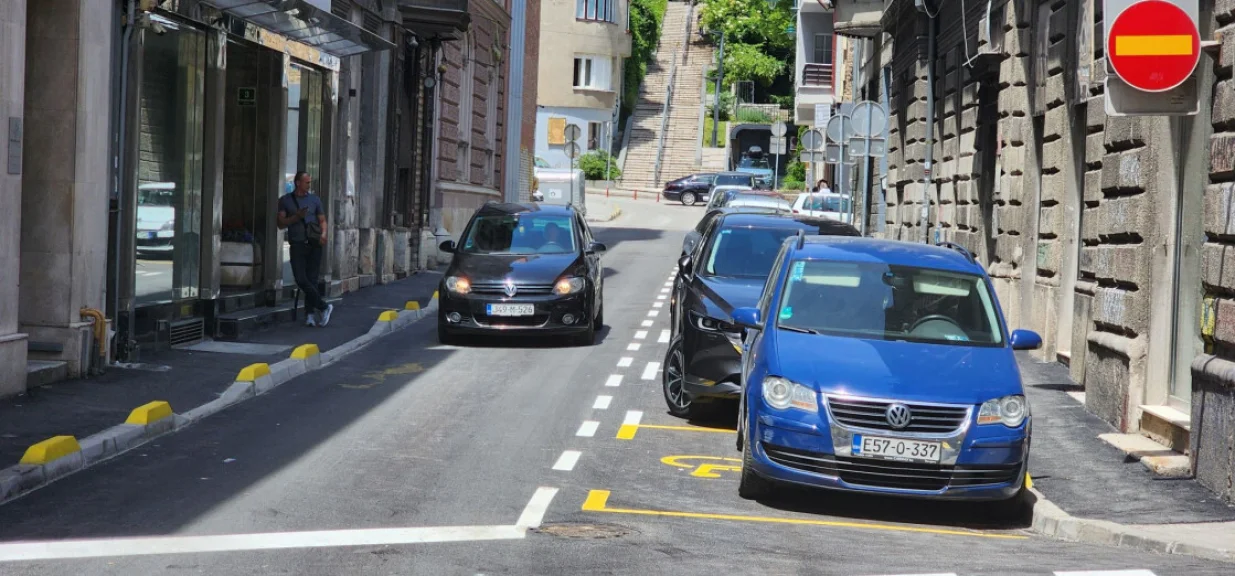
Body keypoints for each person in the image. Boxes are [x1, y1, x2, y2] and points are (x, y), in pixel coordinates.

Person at [277, 172, 333, 327]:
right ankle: (324, 306)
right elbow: (281, 223)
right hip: (297, 244)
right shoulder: (285, 200)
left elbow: (322, 220)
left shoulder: (315, 200)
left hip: (314, 244)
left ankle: (309, 315)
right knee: (301, 279)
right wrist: (296, 217)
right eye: (307, 182)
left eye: (310, 182)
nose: (309, 185)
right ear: (297, 183)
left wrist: (323, 234)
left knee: (312, 280)